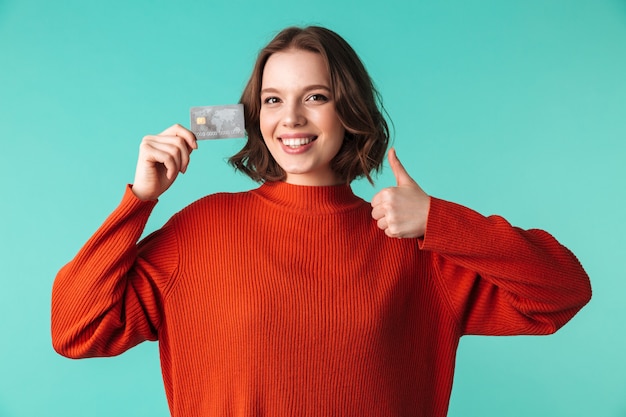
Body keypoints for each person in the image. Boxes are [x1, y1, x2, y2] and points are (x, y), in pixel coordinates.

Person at [51, 26, 591, 417]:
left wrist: (438, 221)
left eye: (315, 97)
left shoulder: (411, 240)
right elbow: (75, 328)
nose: (291, 118)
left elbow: (563, 291)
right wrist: (139, 200)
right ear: (254, 117)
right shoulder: (202, 227)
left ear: (348, 109)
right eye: (272, 100)